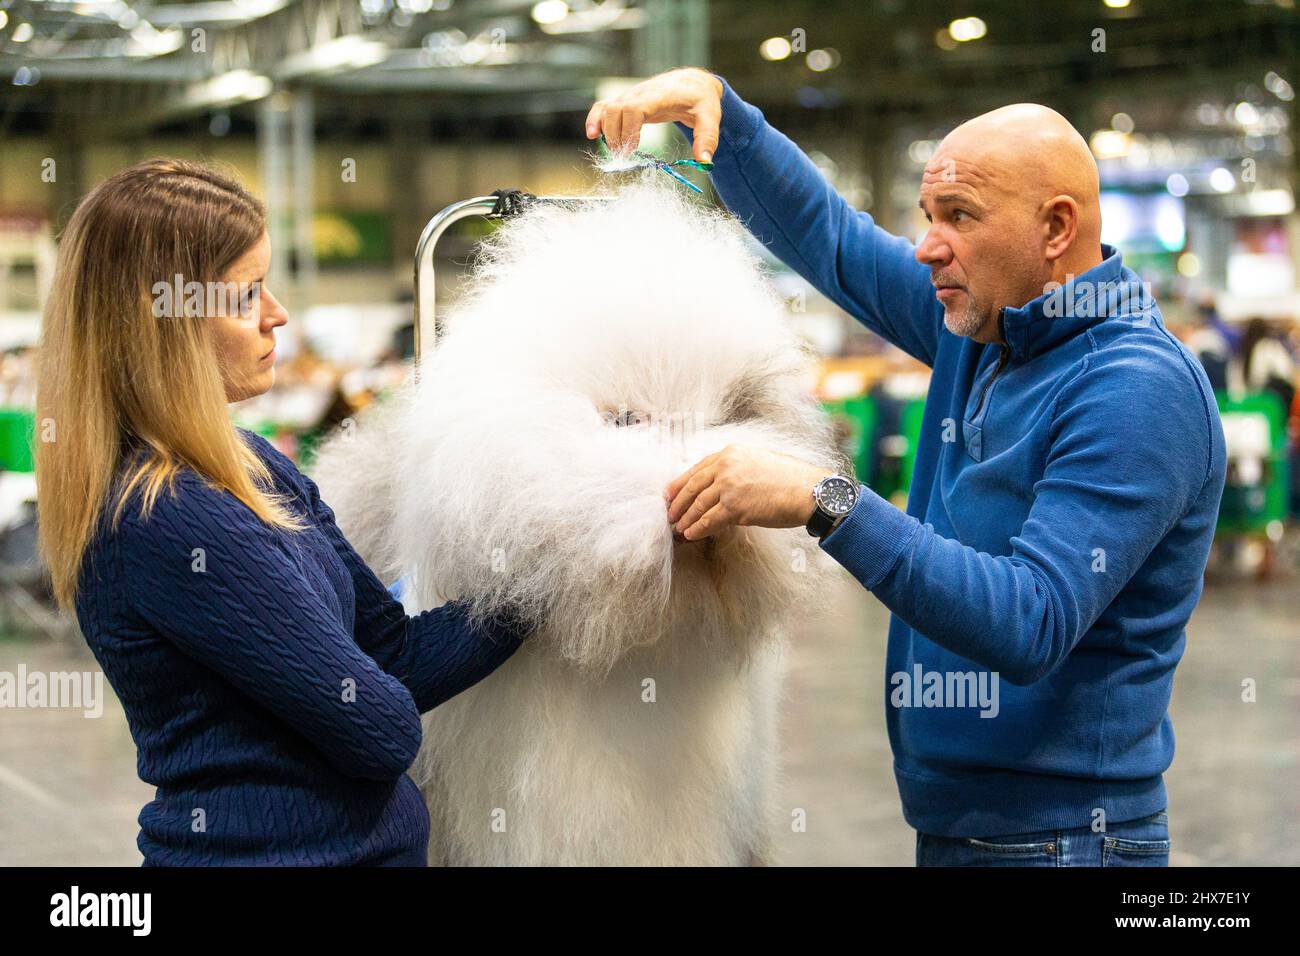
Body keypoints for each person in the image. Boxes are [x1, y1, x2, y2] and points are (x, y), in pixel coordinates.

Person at [588, 69, 1227, 867]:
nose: (928, 244)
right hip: (966, 828)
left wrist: (824, 501)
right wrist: (724, 116)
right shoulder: (986, 327)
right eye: (929, 215)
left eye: (959, 216)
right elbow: (834, 242)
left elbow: (1029, 621)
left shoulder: (1136, 389)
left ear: (1056, 227)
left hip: (1063, 842)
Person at [34, 159, 529, 866]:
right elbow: (382, 726)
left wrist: (546, 576)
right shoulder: (166, 518)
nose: (278, 314)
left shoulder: (252, 463)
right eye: (246, 295)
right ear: (165, 324)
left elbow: (396, 655)